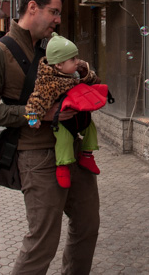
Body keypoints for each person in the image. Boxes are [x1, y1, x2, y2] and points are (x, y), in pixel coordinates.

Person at [0, 0, 99, 274]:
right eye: (53, 12)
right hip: (36, 157)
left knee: (87, 225)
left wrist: (84, 72)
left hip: (73, 147)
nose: (58, 19)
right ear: (32, 8)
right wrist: (37, 113)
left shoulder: (53, 47)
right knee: (43, 241)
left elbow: (81, 84)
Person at [25, 32, 101, 189]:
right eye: (72, 59)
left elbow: (95, 81)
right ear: (59, 65)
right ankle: (63, 167)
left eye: (76, 57)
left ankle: (87, 156)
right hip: (64, 122)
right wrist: (33, 117)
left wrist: (85, 72)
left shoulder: (74, 73)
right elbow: (35, 101)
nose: (77, 61)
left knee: (91, 129)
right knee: (64, 141)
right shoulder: (48, 83)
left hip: (80, 116)